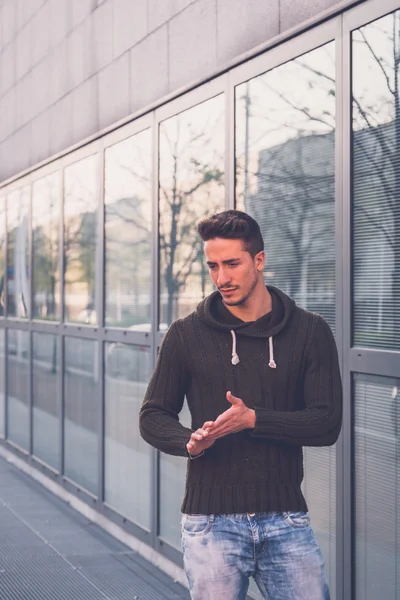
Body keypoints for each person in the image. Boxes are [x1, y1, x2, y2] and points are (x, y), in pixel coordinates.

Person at [139, 210, 342, 600]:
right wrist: (189, 441)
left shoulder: (310, 332)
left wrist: (253, 419)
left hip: (286, 518)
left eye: (232, 263)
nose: (221, 278)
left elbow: (326, 422)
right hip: (210, 522)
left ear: (259, 260)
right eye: (213, 266)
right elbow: (152, 415)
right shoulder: (185, 335)